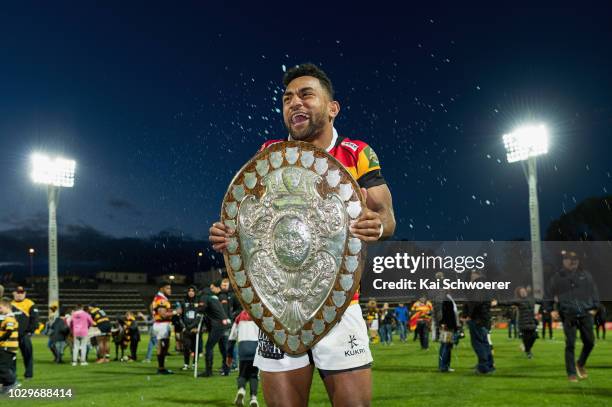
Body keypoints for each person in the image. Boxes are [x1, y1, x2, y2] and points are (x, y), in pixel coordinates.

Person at [209, 63, 396, 407]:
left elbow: (386, 216)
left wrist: (379, 225)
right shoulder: (270, 153)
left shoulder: (356, 153)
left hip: (340, 306)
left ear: (333, 107)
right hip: (275, 309)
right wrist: (228, 234)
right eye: (287, 98)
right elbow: (249, 218)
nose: (294, 102)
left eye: (306, 94)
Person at [545, 250, 599, 382]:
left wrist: (595, 307)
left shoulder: (586, 275)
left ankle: (580, 363)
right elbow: (548, 295)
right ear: (564, 261)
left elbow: (594, 291)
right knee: (570, 344)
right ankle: (571, 373)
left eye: (575, 259)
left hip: (585, 313)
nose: (573, 261)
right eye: (569, 259)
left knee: (590, 342)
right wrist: (550, 310)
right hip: (568, 314)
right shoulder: (557, 277)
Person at [462, 269, 496, 374]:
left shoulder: (478, 285)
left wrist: (468, 316)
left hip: (477, 319)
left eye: (471, 274)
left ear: (476, 274)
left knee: (478, 344)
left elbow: (475, 303)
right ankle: (489, 365)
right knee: (485, 343)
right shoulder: (485, 285)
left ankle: (483, 367)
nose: (470, 276)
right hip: (484, 319)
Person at [197, 280, 231, 377]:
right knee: (223, 349)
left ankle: (208, 371)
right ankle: (226, 370)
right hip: (224, 324)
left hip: (218, 325)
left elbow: (201, 309)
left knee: (208, 347)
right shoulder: (214, 297)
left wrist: (196, 307)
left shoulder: (205, 296)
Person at [227, 310, 260, 407]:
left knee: (242, 373)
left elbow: (232, 337)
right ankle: (253, 398)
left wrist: (229, 355)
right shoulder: (258, 315)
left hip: (243, 346)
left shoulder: (239, 317)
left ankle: (241, 389)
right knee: (254, 375)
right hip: (255, 346)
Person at [11, 285, 38, 379]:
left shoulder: (30, 304)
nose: (19, 294)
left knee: (28, 355)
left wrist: (30, 332)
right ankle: (12, 375)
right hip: (12, 335)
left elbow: (34, 320)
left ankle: (28, 375)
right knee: (11, 357)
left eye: (22, 292)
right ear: (13, 293)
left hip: (25, 335)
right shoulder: (10, 304)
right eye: (18, 292)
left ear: (25, 293)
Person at [151, 281, 175, 374]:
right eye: (168, 288)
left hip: (159, 324)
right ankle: (161, 369)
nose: (170, 290)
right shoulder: (161, 299)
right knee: (163, 347)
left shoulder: (158, 297)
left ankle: (161, 368)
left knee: (162, 347)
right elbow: (163, 314)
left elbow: (151, 307)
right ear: (162, 288)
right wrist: (175, 312)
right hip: (162, 325)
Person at [0, 297, 20, 393]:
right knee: (3, 367)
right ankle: (6, 386)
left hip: (7, 347)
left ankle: (13, 382)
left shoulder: (10, 318)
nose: (0, 310)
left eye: (0, 308)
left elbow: (9, 332)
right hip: (5, 346)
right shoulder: (8, 317)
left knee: (2, 367)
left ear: (6, 307)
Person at [437, 292, 459, 372]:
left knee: (444, 345)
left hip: (446, 325)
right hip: (448, 326)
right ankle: (444, 366)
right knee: (446, 346)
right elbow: (447, 314)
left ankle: (443, 365)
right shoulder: (446, 299)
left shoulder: (447, 298)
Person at [180, 286, 200, 370]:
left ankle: (195, 364)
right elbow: (180, 316)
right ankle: (186, 364)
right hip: (186, 329)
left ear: (195, 292)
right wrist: (184, 327)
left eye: (193, 291)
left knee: (196, 348)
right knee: (186, 347)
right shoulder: (183, 302)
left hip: (195, 329)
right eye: (189, 291)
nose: (191, 292)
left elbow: (199, 316)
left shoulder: (199, 302)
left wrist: (194, 326)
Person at [514, 287, 537, 359]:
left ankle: (526, 347)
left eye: (524, 291)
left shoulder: (531, 300)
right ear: (519, 294)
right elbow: (507, 302)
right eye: (521, 291)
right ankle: (528, 352)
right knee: (526, 338)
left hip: (531, 323)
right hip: (523, 323)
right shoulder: (518, 301)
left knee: (534, 337)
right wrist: (497, 302)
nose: (523, 292)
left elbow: (541, 301)